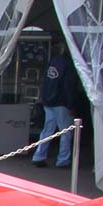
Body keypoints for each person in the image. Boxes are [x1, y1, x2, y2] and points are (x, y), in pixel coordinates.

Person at [33, 40, 78, 168]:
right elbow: (68, 86)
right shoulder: (69, 64)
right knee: (65, 132)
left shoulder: (53, 61)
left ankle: (39, 155)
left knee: (47, 130)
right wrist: (71, 104)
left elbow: (46, 81)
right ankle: (63, 160)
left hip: (49, 101)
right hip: (61, 102)